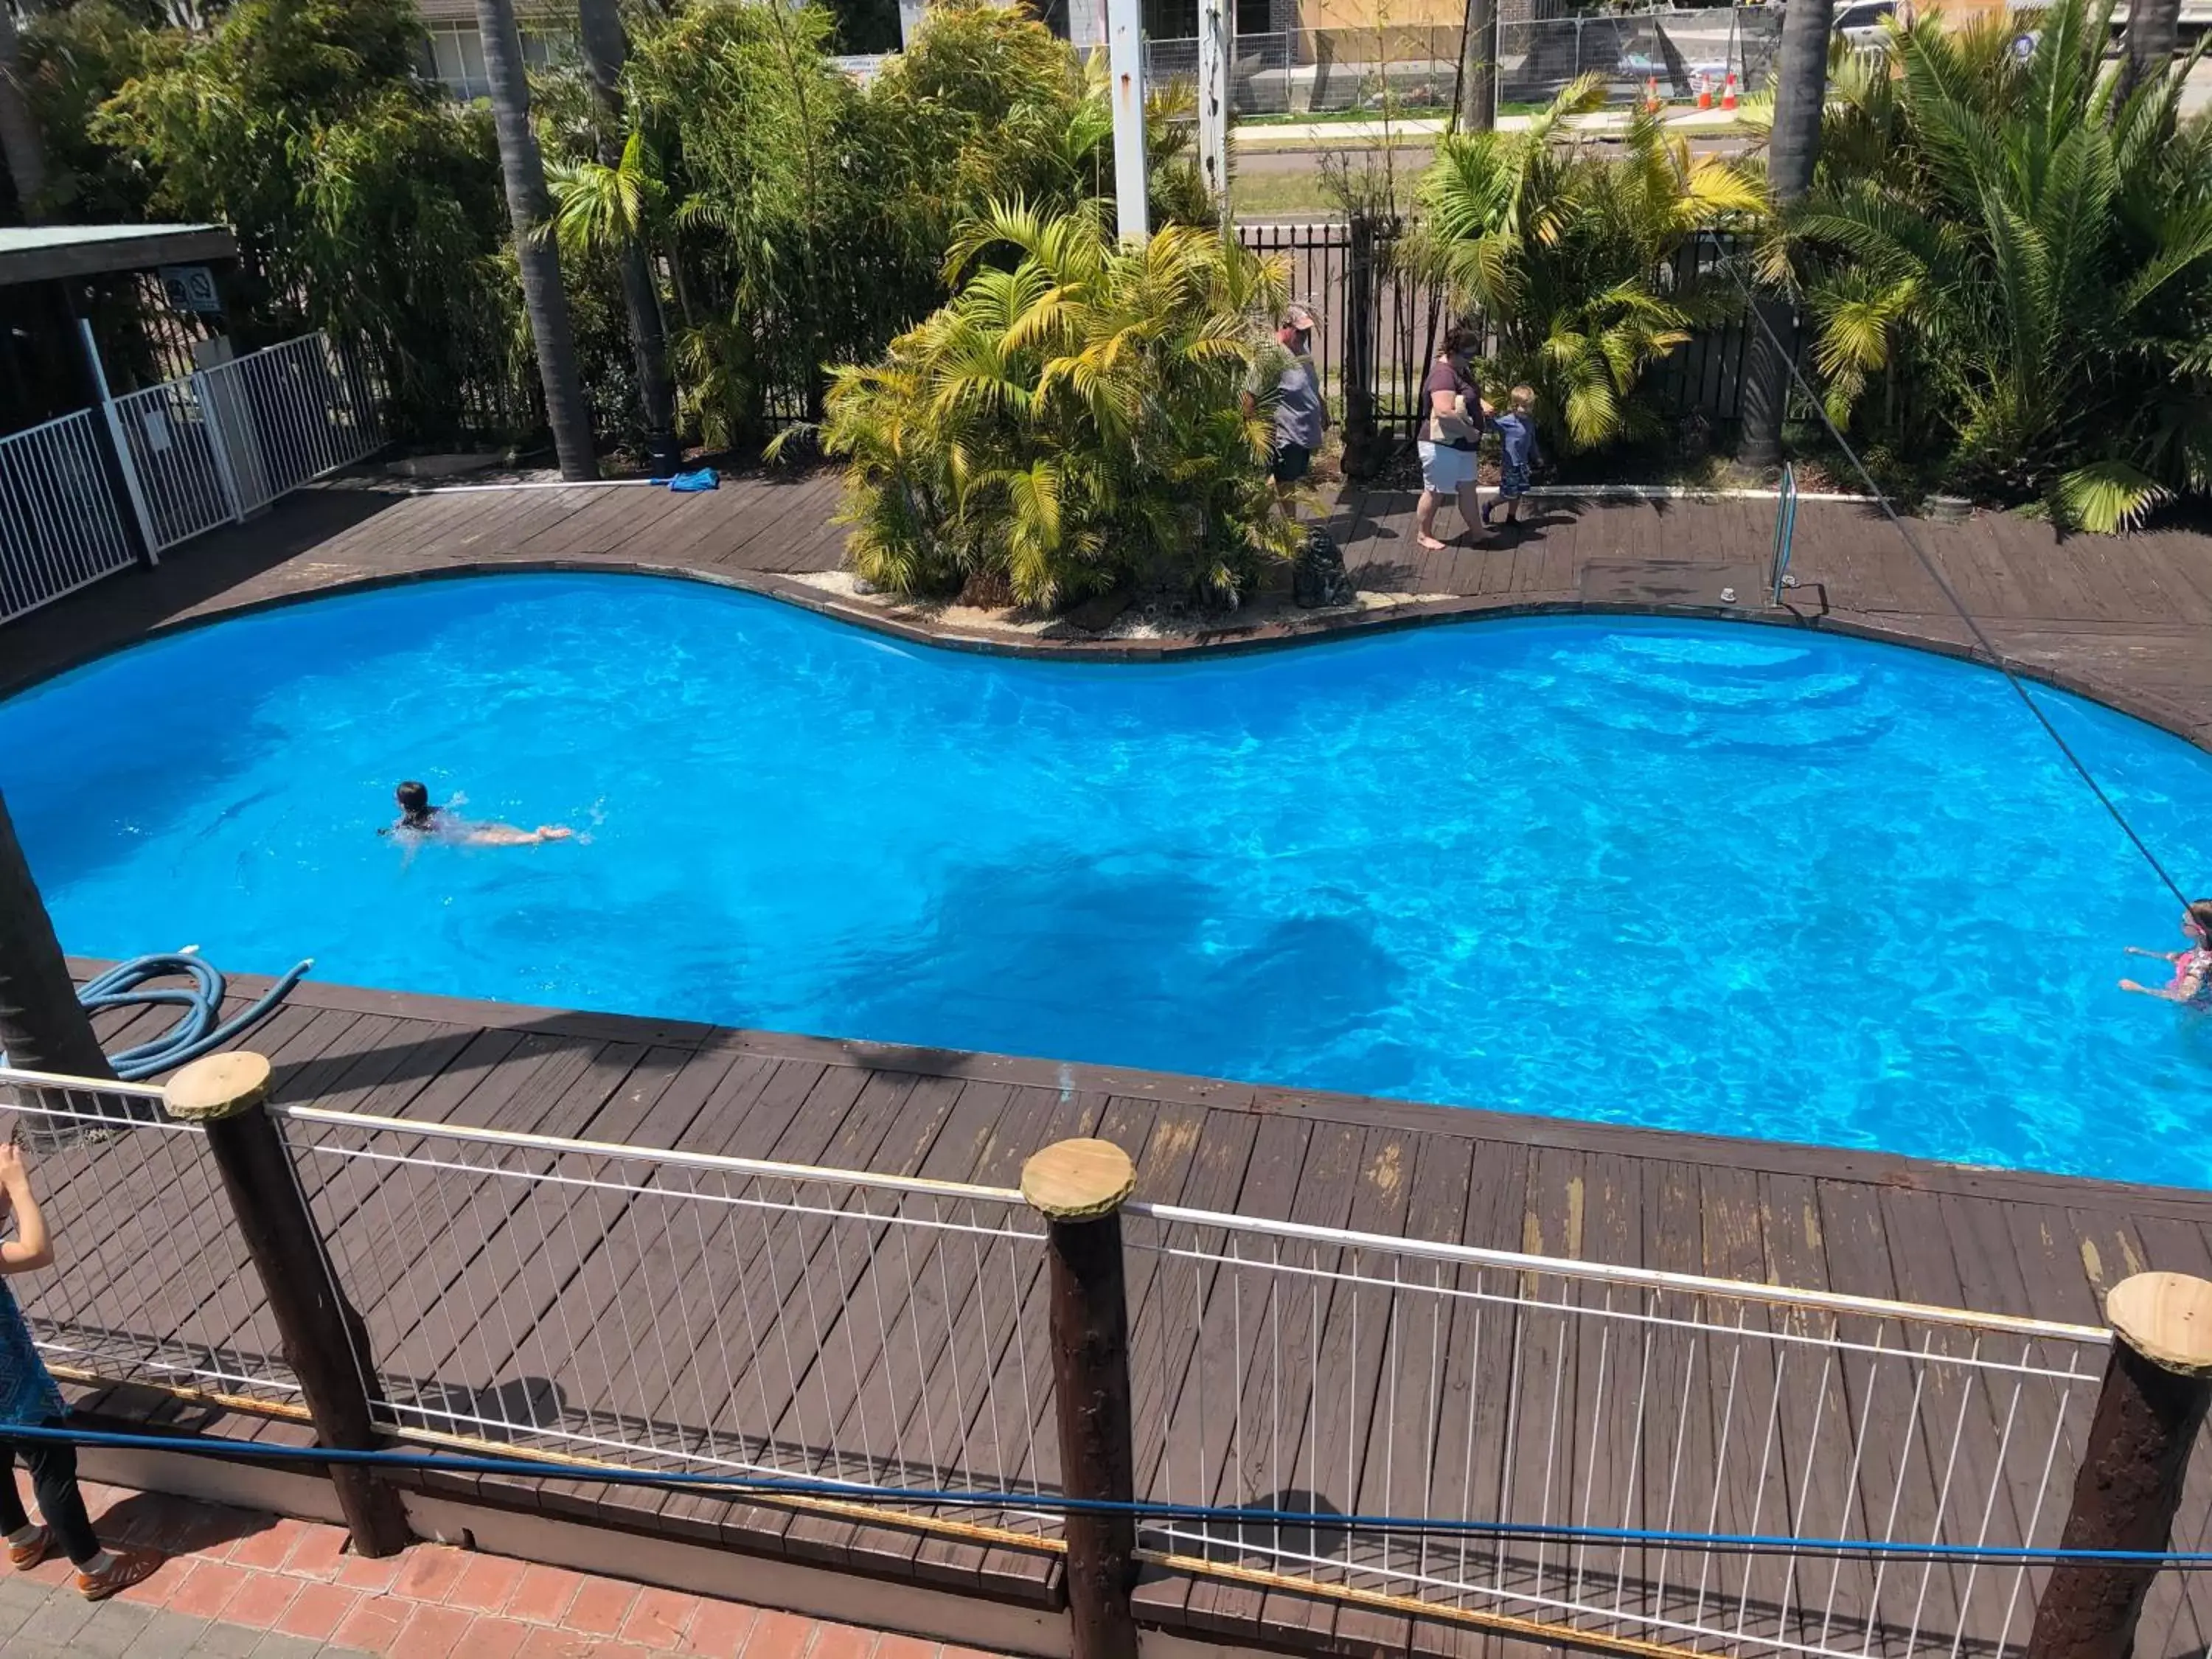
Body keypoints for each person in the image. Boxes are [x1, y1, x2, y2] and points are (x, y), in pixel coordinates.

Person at [0, 1144, 158, 1600]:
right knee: (52, 1467)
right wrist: (19, 1186)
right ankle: (96, 1567)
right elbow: (36, 1250)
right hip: (15, 1394)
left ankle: (23, 1540)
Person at [1241, 305, 1327, 512]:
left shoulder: (1300, 347)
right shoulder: (1271, 352)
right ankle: (1285, 528)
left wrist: (1322, 408)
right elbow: (1250, 394)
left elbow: (1310, 381)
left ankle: (1260, 519)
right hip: (1285, 434)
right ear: (1286, 326)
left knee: (1287, 481)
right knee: (1284, 482)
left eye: (1307, 331)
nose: (1304, 335)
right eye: (1300, 331)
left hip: (1302, 431)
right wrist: (1249, 429)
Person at [1416, 328, 1489, 552]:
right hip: (1442, 445)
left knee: (1468, 489)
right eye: (1467, 355)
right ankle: (1423, 534)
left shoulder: (1460, 368)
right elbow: (1443, 411)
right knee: (1436, 491)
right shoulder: (1443, 374)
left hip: (1461, 446)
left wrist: (1480, 405)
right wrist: (1468, 432)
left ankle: (1477, 531)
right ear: (1453, 351)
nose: (1470, 360)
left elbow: (1465, 395)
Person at [383, 782, 573, 848]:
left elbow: (411, 848)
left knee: (503, 842)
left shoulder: (409, 826)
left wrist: (403, 870)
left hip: (463, 837)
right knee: (502, 831)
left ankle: (538, 836)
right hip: (472, 825)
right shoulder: (436, 810)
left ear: (402, 804)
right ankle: (534, 834)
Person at [2120, 900, 2212, 1004]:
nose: (2181, 924)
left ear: (2200, 931)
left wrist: (2140, 989)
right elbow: (2178, 958)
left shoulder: (2198, 966)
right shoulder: (2202, 949)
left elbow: (2182, 997)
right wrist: (2144, 953)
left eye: (2185, 922)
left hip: (2196, 1011)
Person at [1481, 385, 1543, 533]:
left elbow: (1532, 441)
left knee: (1519, 491)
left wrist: (1537, 456)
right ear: (1514, 406)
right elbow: (1492, 425)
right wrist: (1488, 415)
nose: (1526, 410)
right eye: (1523, 406)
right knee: (1508, 493)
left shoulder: (1529, 423)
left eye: (1529, 406)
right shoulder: (1507, 422)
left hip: (1523, 464)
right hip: (1511, 465)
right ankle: (1489, 505)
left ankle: (1511, 517)